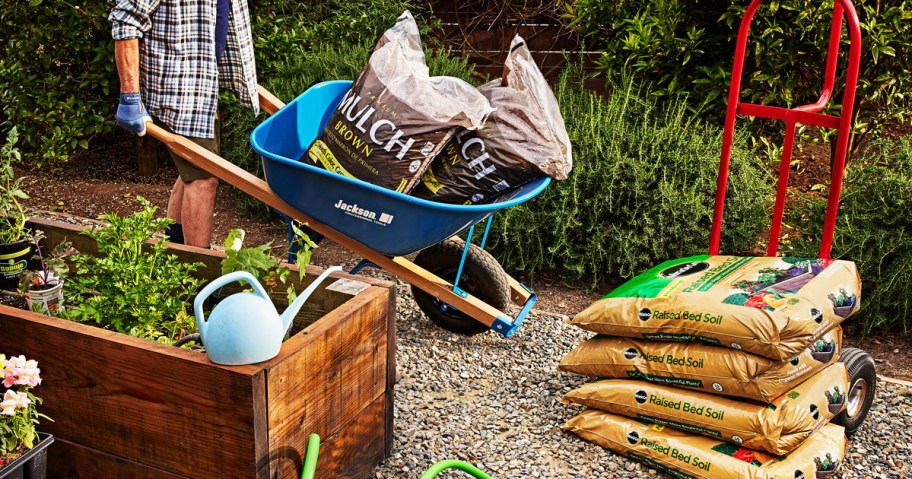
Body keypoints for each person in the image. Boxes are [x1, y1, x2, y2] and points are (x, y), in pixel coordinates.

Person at [109, 0, 259, 248]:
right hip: (177, 89)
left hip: (203, 84)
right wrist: (130, 96)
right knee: (204, 179)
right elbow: (126, 19)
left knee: (191, 173)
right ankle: (198, 272)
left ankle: (175, 251)